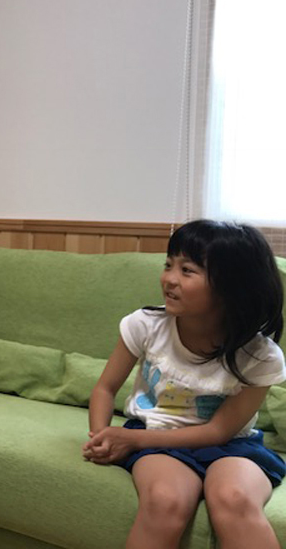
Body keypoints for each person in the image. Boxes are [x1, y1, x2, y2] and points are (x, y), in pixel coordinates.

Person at [83, 219, 285, 549]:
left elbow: (218, 431)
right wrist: (101, 435)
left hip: (232, 445)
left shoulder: (260, 355)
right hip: (156, 436)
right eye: (168, 265)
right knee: (165, 500)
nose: (169, 279)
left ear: (231, 286)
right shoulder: (146, 325)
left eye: (187, 270)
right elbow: (105, 388)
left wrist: (131, 440)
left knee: (233, 498)